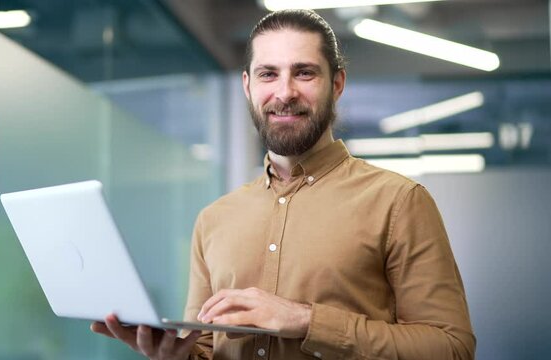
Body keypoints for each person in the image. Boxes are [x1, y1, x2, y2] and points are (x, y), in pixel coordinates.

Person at [91, 9, 476, 360]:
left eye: (304, 72)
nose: (285, 92)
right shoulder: (214, 219)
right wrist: (175, 356)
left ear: (337, 84)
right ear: (247, 86)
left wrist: (307, 321)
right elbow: (206, 346)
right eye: (268, 74)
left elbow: (452, 348)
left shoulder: (399, 202)